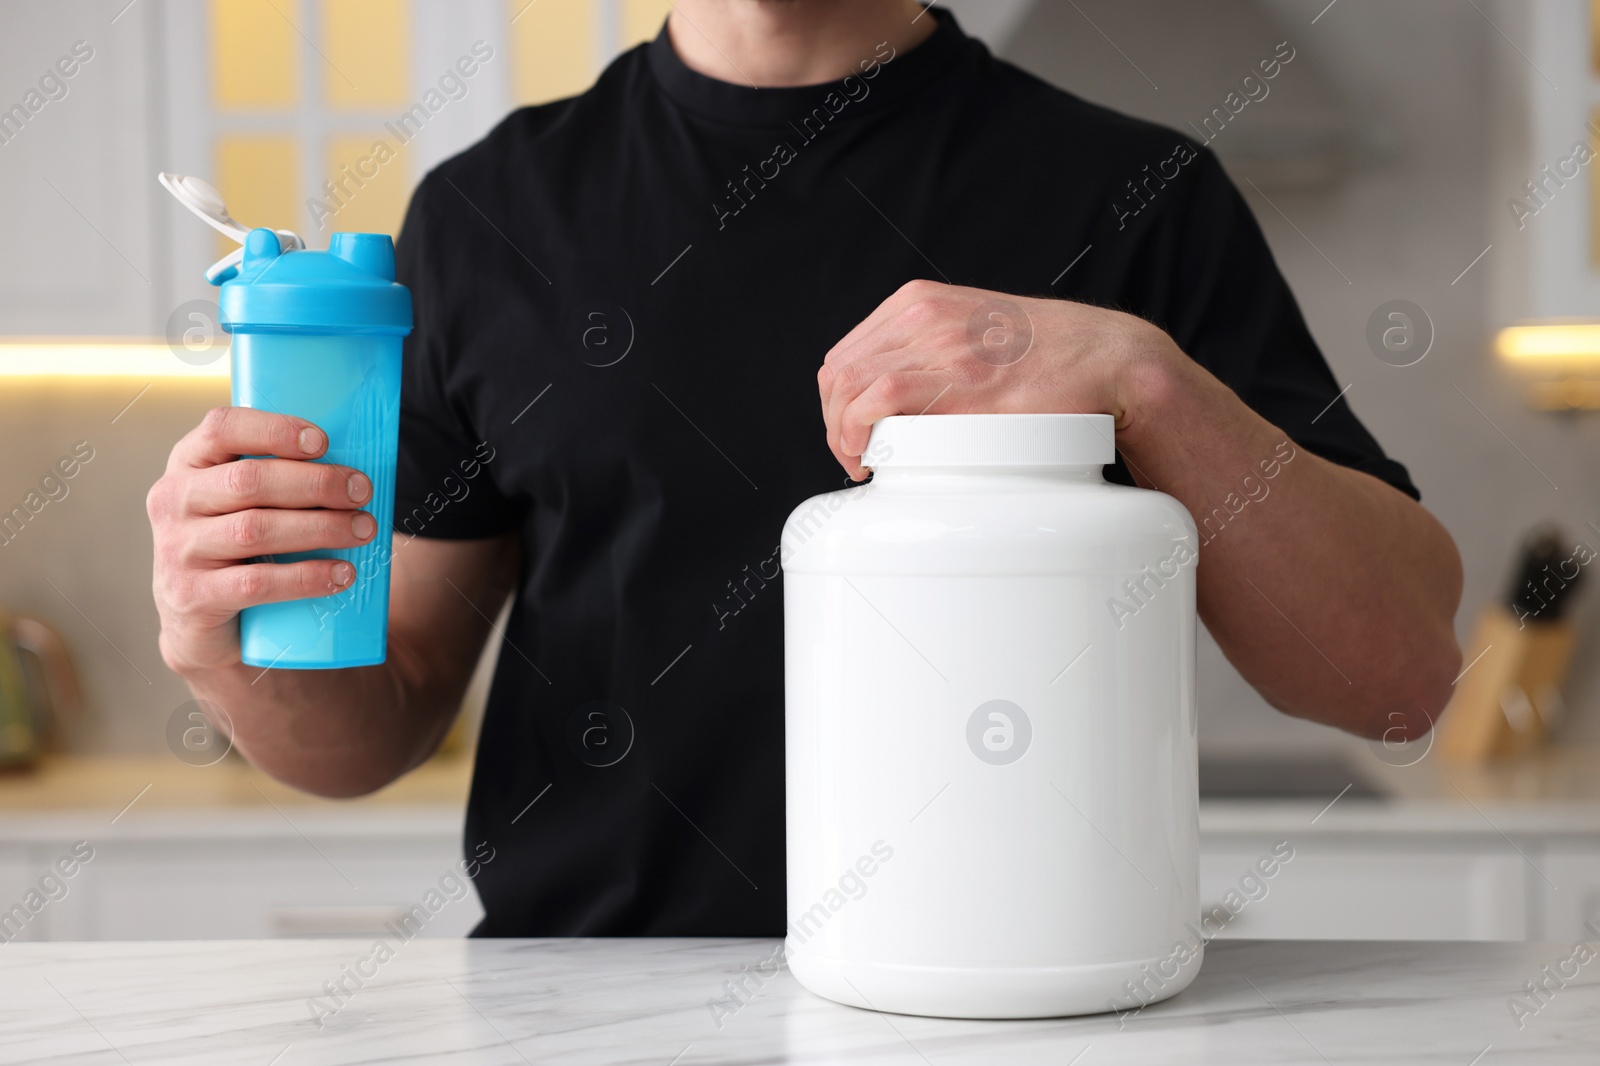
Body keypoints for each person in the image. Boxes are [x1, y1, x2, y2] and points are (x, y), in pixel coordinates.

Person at [146, 1, 1462, 936]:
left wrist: (1144, 378)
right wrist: (220, 640)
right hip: (594, 1008)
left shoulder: (1137, 192)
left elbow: (1399, 676)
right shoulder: (489, 212)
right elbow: (379, 720)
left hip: (1016, 1007)